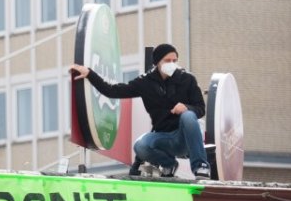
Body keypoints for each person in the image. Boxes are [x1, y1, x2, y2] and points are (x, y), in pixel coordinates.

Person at [69, 42, 211, 179]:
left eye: (175, 60)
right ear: (157, 62)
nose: (172, 64)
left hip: (185, 137)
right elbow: (112, 91)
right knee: (140, 145)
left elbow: (200, 108)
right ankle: (169, 164)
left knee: (188, 116)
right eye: (168, 60)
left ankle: (201, 166)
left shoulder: (187, 79)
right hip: (163, 137)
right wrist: (89, 73)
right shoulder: (145, 83)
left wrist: (187, 108)